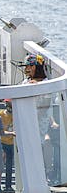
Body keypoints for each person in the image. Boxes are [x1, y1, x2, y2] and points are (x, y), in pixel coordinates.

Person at [22, 53, 59, 184]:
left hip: (42, 120)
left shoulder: (46, 84)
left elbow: (46, 103)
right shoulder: (25, 82)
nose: (27, 69)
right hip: (26, 119)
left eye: (30, 66)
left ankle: (45, 173)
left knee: (43, 144)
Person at [0, 99, 16, 193]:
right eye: (8, 103)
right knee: (0, 164)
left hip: (13, 143)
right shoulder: (0, 114)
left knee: (9, 166)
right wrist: (10, 133)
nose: (9, 105)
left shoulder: (18, 113)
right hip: (2, 142)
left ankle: (8, 185)